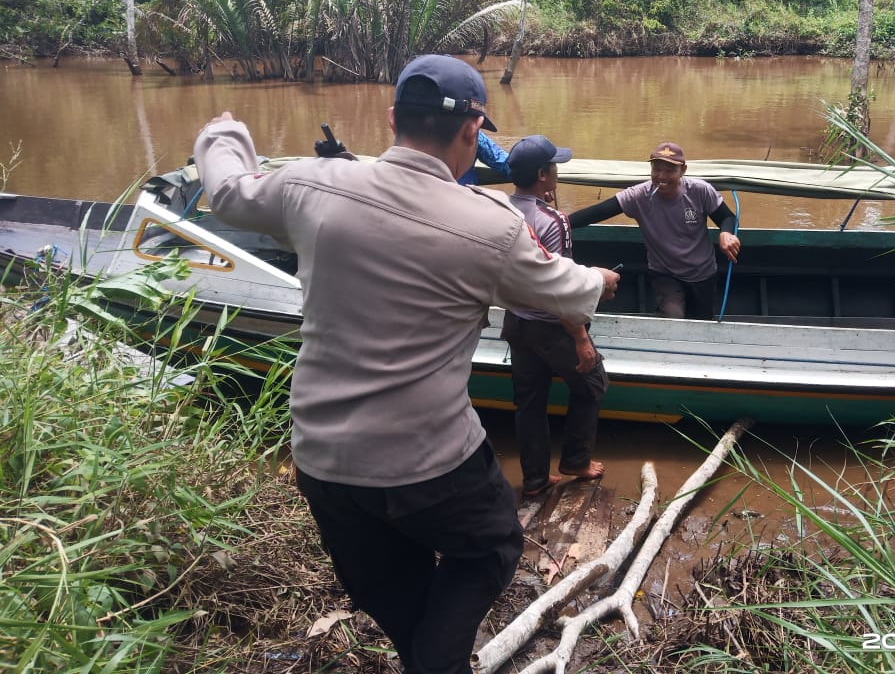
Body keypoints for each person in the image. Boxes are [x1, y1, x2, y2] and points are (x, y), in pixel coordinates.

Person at [192, 54, 620, 674]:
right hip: (431, 462)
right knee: (493, 548)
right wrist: (603, 280)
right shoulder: (490, 226)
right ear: (474, 130)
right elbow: (568, 290)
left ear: (393, 117)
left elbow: (228, 192)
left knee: (392, 586)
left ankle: (431, 660)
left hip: (324, 459)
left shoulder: (313, 184)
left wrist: (223, 134)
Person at [500, 135, 609, 496]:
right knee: (592, 383)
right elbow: (559, 288)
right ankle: (576, 460)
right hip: (552, 327)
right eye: (554, 167)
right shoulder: (554, 220)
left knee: (529, 402)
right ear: (543, 175)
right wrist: (580, 339)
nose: (557, 173)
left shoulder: (501, 209)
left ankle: (534, 479)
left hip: (516, 323)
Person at [568, 141, 740, 320]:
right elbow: (598, 212)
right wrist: (560, 222)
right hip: (665, 272)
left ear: (683, 170)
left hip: (703, 273)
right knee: (673, 318)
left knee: (702, 323)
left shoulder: (700, 190)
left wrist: (726, 233)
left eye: (669, 170)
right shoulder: (639, 195)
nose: (661, 176)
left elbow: (728, 217)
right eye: (656, 169)